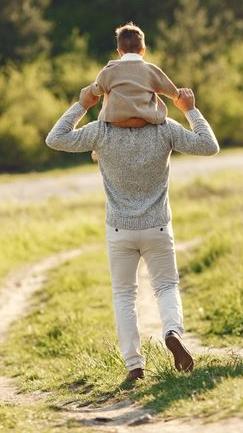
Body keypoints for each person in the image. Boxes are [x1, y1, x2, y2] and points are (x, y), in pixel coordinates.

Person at [45, 82, 218, 384]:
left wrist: (83, 104)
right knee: (166, 287)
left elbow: (55, 139)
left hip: (119, 229)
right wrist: (190, 110)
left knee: (124, 295)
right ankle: (172, 332)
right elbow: (209, 146)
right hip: (158, 226)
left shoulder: (102, 131)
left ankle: (134, 366)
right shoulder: (164, 128)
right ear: (150, 98)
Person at [88, 22, 180, 129]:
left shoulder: (109, 71)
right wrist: (177, 95)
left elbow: (97, 90)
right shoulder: (151, 70)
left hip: (116, 120)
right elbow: (171, 90)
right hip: (143, 120)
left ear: (119, 52)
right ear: (143, 51)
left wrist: (91, 90)